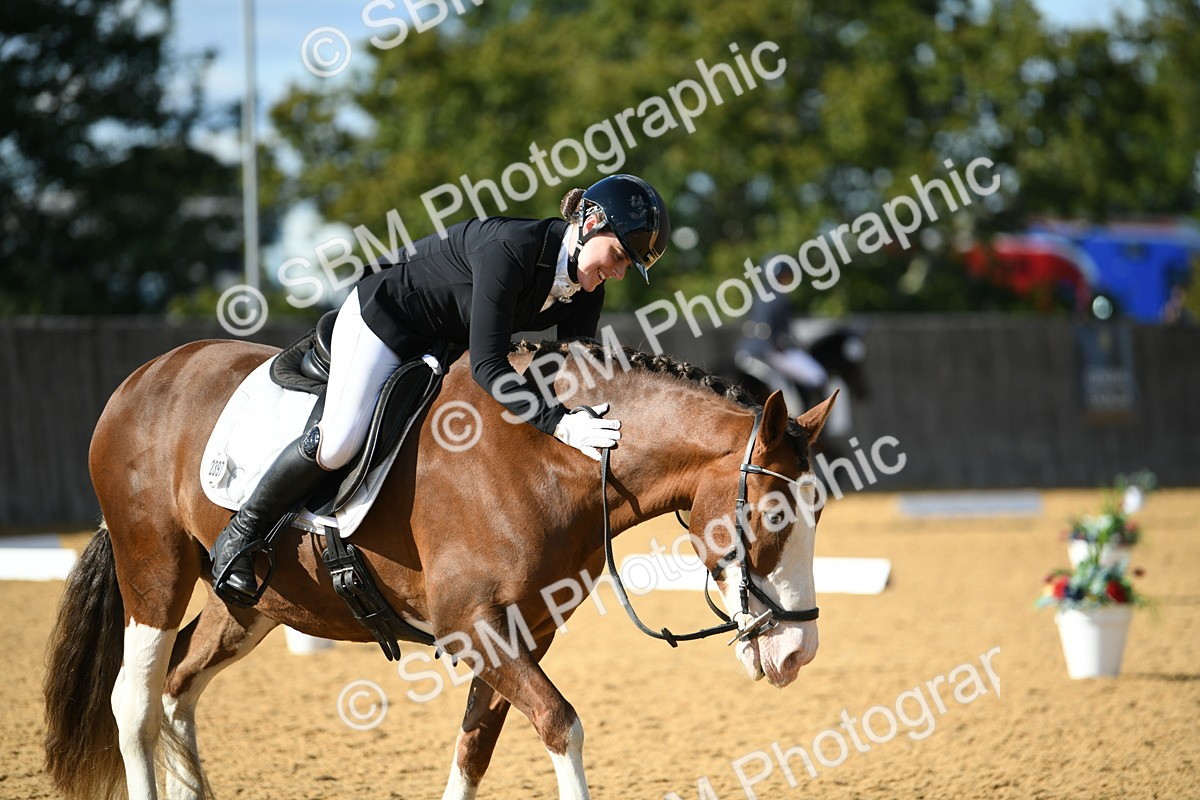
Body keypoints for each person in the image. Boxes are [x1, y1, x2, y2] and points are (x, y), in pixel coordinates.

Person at [211, 174, 671, 606]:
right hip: (387, 318)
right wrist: (558, 422)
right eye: (618, 256)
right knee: (339, 442)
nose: (619, 272)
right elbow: (489, 366)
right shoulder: (513, 250)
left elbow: (570, 364)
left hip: (444, 339)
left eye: (629, 264)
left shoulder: (584, 287)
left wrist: (584, 412)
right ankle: (242, 531)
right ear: (590, 224)